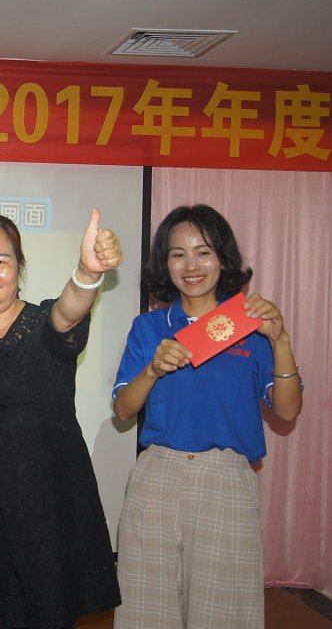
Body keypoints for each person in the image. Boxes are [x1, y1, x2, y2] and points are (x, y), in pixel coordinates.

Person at [111, 204, 303, 629]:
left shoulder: (250, 324)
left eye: (204, 252)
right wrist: (152, 369)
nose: (191, 266)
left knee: (225, 612)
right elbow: (123, 410)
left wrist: (281, 341)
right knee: (146, 608)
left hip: (226, 478)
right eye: (178, 254)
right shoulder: (148, 328)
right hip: (157, 476)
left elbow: (288, 410)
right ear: (165, 263)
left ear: (223, 258)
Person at [0, 211, 123, 629]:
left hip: (51, 505)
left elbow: (69, 312)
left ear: (19, 266)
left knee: (52, 613)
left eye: (0, 260)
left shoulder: (42, 324)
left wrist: (87, 273)